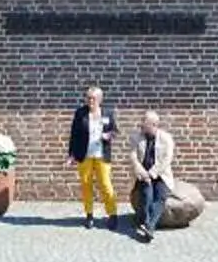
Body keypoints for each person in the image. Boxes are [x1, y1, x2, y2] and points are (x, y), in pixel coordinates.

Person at [68, 85, 119, 229]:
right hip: (84, 155)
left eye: (93, 98)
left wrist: (109, 135)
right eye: (88, 98)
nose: (90, 101)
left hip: (102, 155)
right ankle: (89, 215)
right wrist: (71, 154)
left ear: (100, 99)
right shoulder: (80, 113)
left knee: (106, 185)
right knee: (86, 185)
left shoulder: (107, 112)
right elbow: (74, 135)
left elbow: (115, 131)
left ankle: (112, 214)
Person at [131, 109, 175, 243]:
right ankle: (148, 225)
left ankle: (149, 226)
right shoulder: (137, 137)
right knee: (147, 195)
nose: (141, 124)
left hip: (161, 175)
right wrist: (141, 171)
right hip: (143, 175)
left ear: (154, 125)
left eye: (144, 122)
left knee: (161, 197)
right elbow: (133, 156)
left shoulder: (166, 138)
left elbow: (166, 159)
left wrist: (152, 173)